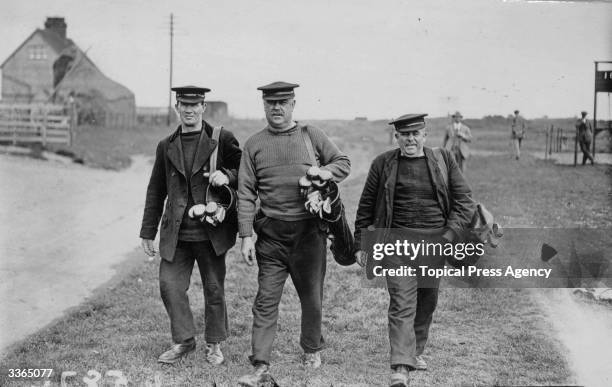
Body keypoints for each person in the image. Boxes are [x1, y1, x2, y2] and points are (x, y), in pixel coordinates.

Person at [237, 81, 350, 385]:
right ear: (264, 106)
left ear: (293, 104)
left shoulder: (310, 135)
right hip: (271, 236)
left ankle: (312, 348)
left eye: (283, 102)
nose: (277, 108)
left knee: (311, 298)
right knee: (265, 300)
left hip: (309, 234)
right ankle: (260, 362)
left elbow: (343, 162)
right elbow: (246, 192)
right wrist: (246, 235)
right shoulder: (254, 144)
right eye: (271, 103)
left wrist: (325, 172)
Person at [354, 114, 474, 387]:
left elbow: (465, 201)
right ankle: (400, 366)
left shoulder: (443, 159)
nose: (410, 139)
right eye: (404, 134)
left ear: (425, 134)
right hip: (396, 246)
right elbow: (366, 206)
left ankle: (416, 350)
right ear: (396, 137)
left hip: (435, 245)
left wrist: (450, 234)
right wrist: (363, 244)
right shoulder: (383, 164)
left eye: (415, 134)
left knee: (427, 301)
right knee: (401, 302)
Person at [139, 86, 242, 365]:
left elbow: (244, 171)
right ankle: (184, 341)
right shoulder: (165, 145)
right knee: (169, 285)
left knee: (213, 289)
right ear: (177, 107)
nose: (189, 109)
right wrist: (148, 232)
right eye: (184, 104)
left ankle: (214, 344)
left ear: (203, 107)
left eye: (195, 104)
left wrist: (227, 176)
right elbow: (155, 190)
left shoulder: (221, 139)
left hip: (211, 233)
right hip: (177, 235)